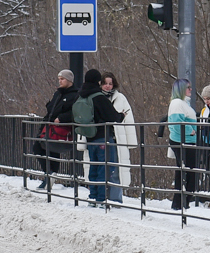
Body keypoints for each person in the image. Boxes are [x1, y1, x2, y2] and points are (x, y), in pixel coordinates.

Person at [78, 69, 125, 206]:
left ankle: (92, 196)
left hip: (89, 137)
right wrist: (121, 116)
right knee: (104, 168)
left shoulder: (82, 96)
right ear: (98, 82)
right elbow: (112, 116)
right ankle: (100, 199)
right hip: (103, 136)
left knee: (93, 166)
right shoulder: (98, 97)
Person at [34, 69, 77, 189]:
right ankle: (49, 173)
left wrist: (62, 118)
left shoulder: (75, 95)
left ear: (69, 80)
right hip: (50, 126)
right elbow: (51, 110)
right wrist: (43, 126)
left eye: (62, 79)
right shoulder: (58, 93)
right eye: (59, 79)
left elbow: (75, 112)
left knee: (53, 149)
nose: (60, 81)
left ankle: (50, 175)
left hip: (62, 129)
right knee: (38, 147)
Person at [101, 71, 135, 203]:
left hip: (116, 139)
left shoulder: (120, 98)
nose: (108, 86)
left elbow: (128, 119)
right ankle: (102, 196)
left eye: (110, 83)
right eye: (105, 83)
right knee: (101, 168)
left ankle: (115, 198)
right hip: (100, 137)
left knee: (116, 169)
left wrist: (131, 142)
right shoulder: (96, 97)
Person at [167, 78, 198, 210]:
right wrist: (190, 131)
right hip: (182, 140)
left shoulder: (183, 103)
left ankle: (180, 202)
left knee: (185, 172)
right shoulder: (177, 103)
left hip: (187, 141)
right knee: (189, 172)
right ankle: (182, 201)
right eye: (188, 87)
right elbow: (176, 123)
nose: (191, 90)